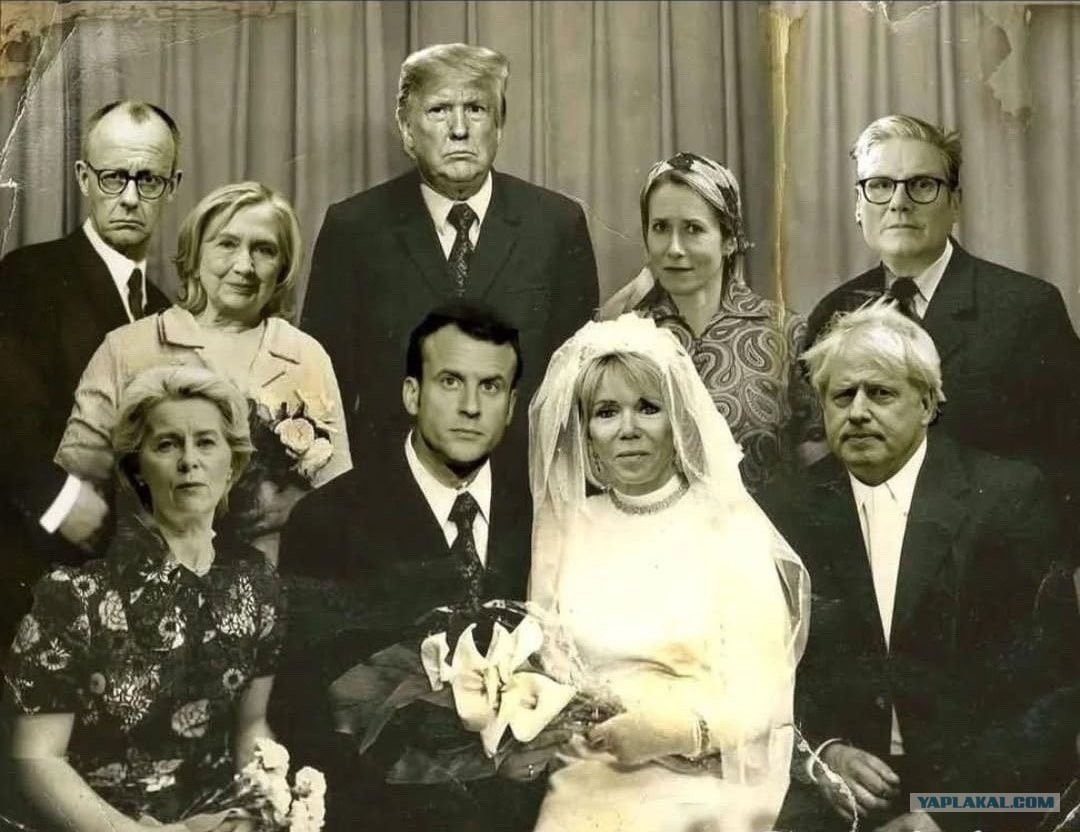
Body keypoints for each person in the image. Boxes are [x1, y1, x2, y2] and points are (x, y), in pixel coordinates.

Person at [760, 303, 1079, 832]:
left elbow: (1052, 691)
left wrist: (945, 814)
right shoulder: (784, 509)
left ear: (928, 403)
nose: (858, 412)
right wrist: (825, 752)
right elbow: (765, 672)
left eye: (881, 394)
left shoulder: (1008, 499)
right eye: (842, 395)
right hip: (840, 796)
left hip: (988, 797)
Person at [524, 314, 809, 832]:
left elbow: (764, 691)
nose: (628, 429)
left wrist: (678, 734)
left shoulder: (728, 524)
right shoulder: (564, 526)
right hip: (586, 773)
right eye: (606, 412)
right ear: (586, 433)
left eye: (648, 408)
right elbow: (544, 664)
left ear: (676, 421)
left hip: (701, 776)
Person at [275, 302, 534, 831]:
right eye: (450, 382)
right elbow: (305, 712)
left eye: (490, 387)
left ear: (511, 406)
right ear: (412, 394)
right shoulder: (329, 520)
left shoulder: (539, 512)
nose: (470, 407)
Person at [3, 365, 284, 830]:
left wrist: (267, 807)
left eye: (206, 443)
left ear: (232, 466)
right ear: (136, 470)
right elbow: (37, 760)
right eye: (167, 444)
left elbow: (251, 727)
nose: (189, 460)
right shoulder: (72, 595)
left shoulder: (257, 585)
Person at [303, 42, 599, 458]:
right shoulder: (353, 228)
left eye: (476, 109)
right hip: (391, 481)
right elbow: (324, 388)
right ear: (407, 129)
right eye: (439, 110)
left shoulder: (557, 224)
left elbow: (577, 384)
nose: (459, 129)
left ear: (499, 125)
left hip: (522, 482)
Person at [806, 114, 1080, 551]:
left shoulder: (1026, 308)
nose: (899, 203)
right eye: (880, 185)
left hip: (992, 571)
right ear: (859, 205)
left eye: (922, 185)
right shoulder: (833, 313)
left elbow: (1070, 467)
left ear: (955, 203)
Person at [54, 181, 351, 563]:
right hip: (153, 571)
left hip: (275, 574)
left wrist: (295, 508)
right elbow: (78, 476)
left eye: (264, 250)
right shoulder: (128, 347)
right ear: (194, 253)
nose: (244, 266)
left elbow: (339, 493)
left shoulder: (305, 354)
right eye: (227, 244)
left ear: (283, 267)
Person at [0, 100, 181, 657]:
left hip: (134, 586)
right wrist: (62, 506)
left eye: (148, 180)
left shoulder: (167, 310)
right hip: (33, 568)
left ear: (171, 188)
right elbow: (7, 421)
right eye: (112, 177)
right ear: (83, 178)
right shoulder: (28, 276)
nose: (129, 197)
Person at [599, 152, 821, 491]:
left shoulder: (786, 333)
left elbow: (817, 461)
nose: (674, 248)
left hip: (763, 523)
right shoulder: (622, 335)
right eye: (660, 228)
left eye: (693, 229)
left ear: (729, 240)